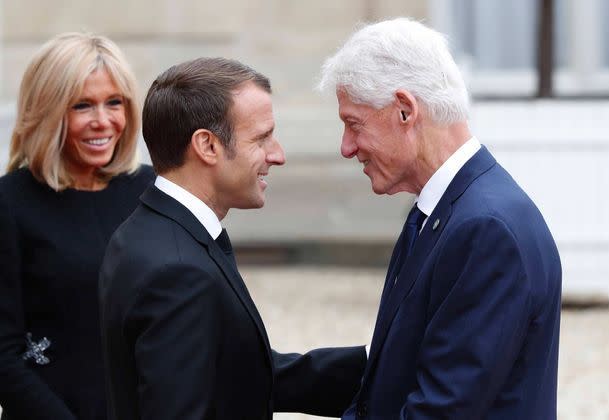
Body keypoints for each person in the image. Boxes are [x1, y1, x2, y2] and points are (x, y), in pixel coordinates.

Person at [319, 17, 562, 419]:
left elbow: (439, 409)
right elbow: (393, 372)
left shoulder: (484, 230)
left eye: (353, 124)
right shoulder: (445, 212)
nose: (347, 147)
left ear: (404, 111)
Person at [98, 57, 366, 420]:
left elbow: (236, 371)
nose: (278, 154)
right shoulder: (177, 271)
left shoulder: (154, 232)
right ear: (207, 146)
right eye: (262, 138)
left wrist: (378, 364)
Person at [0, 33, 154, 419]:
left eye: (114, 102)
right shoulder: (9, 202)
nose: (103, 122)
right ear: (48, 111)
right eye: (82, 105)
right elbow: (2, 354)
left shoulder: (153, 190)